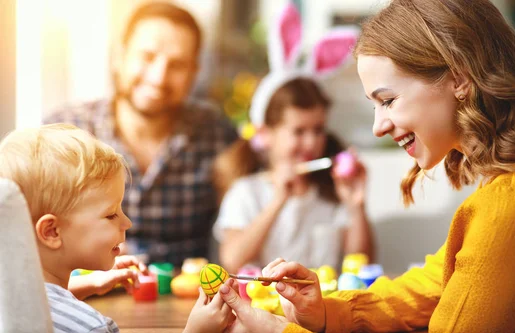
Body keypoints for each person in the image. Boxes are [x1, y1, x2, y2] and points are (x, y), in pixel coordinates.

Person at [212, 0, 515, 332]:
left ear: (459, 79)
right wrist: (327, 311)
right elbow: (439, 281)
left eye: (389, 100)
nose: (379, 125)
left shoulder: (512, 205)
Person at [44, 2, 237, 266]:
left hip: (186, 299)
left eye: (177, 65)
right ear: (119, 57)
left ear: (194, 73)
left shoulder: (218, 135)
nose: (159, 77)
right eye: (147, 57)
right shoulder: (65, 130)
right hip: (86, 294)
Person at [0, 124, 234, 333]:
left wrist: (87, 285)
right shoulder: (92, 327)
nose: (127, 223)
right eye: (111, 214)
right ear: (51, 232)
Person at [211, 2, 374, 273]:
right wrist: (277, 202)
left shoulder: (332, 192)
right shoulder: (246, 194)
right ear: (265, 133)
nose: (311, 142)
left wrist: (356, 206)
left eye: (318, 130)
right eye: (298, 131)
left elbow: (362, 263)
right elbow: (232, 261)